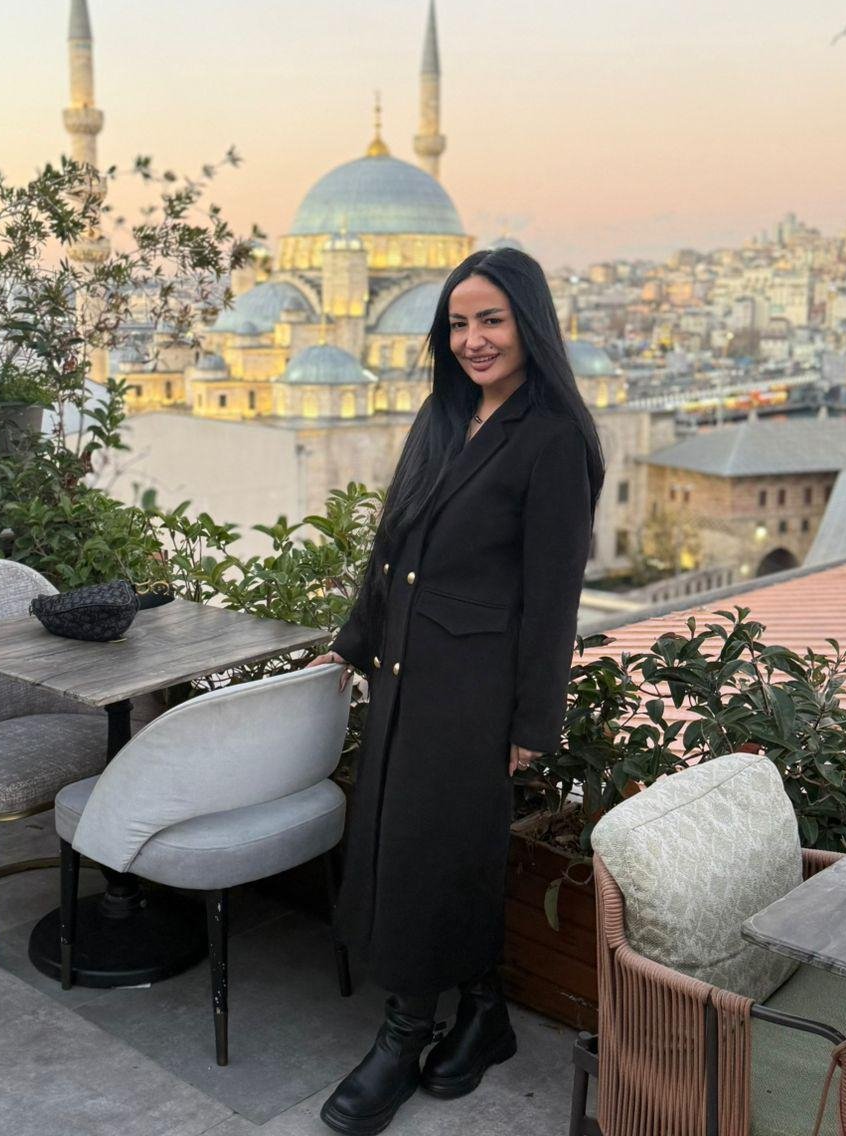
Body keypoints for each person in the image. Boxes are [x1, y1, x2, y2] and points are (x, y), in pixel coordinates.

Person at [309, 246, 605, 1135]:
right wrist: (350, 645)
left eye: (491, 321)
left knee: (431, 854)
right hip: (406, 675)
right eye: (459, 323)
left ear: (528, 324)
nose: (473, 339)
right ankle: (483, 1015)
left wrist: (533, 719)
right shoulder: (445, 415)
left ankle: (405, 1034)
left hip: (474, 693)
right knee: (421, 847)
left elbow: (553, 596)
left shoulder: (553, 439)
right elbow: (391, 550)